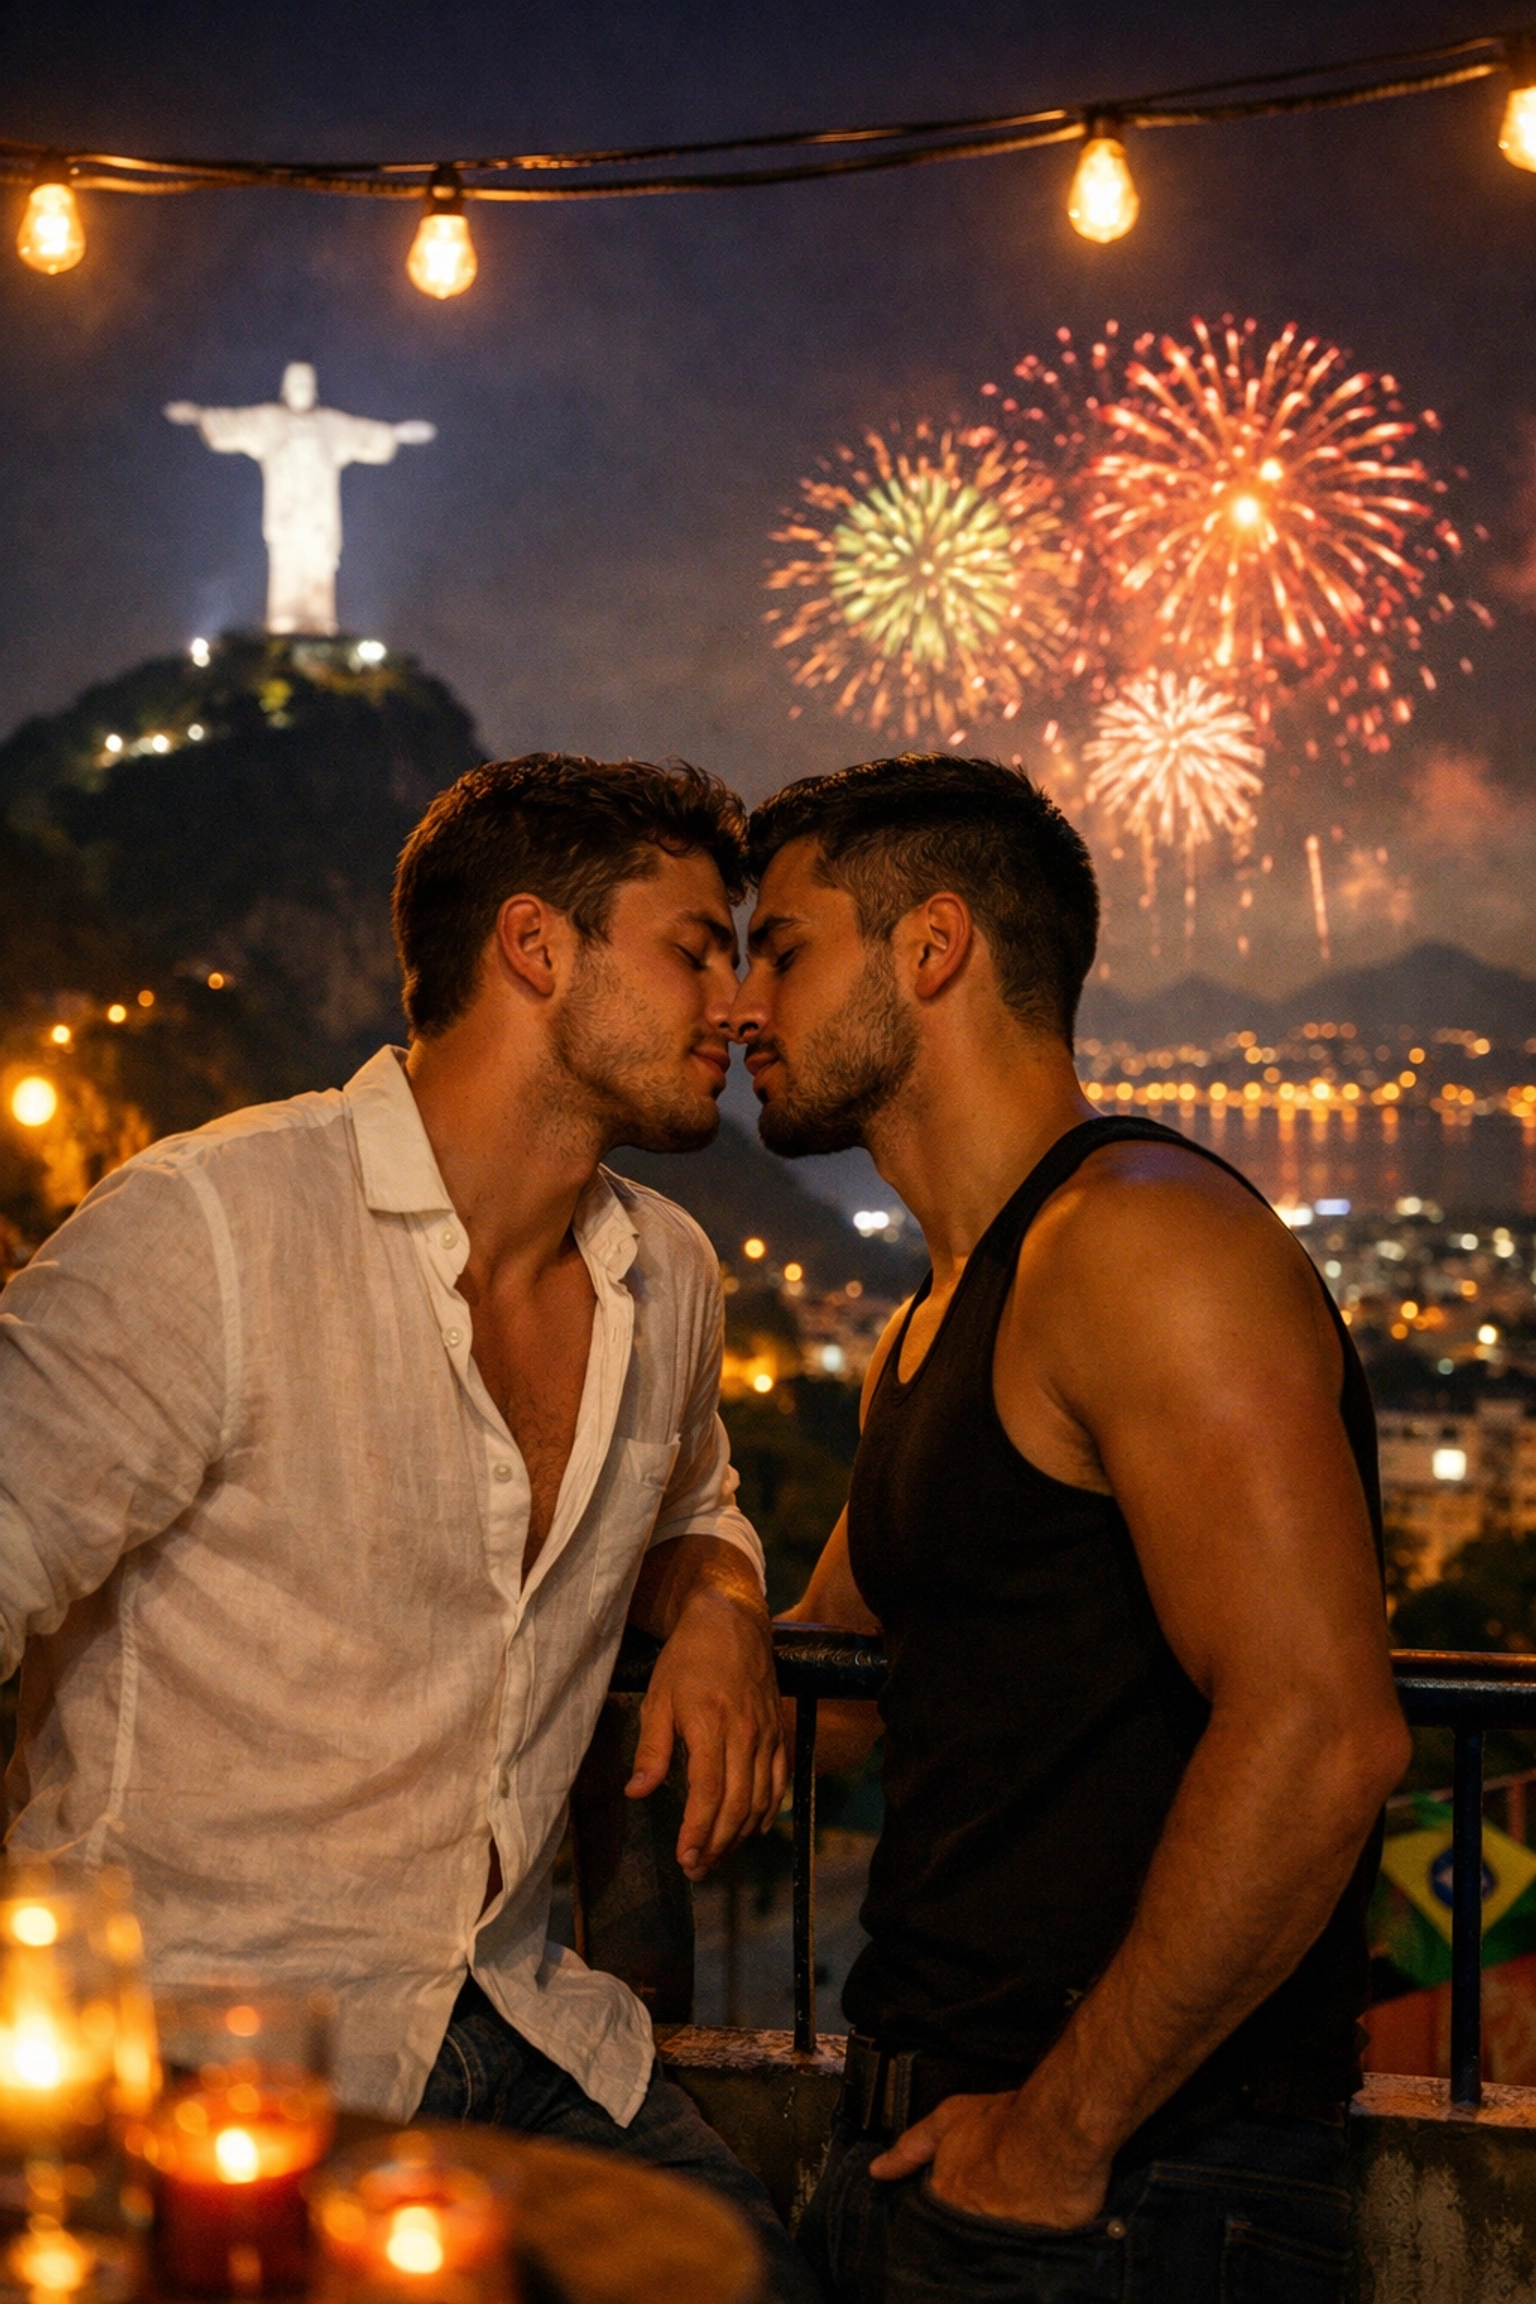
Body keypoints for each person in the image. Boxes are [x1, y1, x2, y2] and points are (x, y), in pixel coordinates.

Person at [0, 754, 819, 2304]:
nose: (738, 1003)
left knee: (757, 2283)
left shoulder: (673, 1277)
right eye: (696, 946)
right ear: (534, 946)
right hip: (205, 2056)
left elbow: (695, 1492)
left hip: (519, 2021)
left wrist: (717, 1599)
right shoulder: (215, 1233)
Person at [728, 754, 1410, 2304]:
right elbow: (818, 1704)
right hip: (937, 2156)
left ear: (932, 947)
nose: (743, 1007)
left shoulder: (1139, 1241)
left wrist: (1059, 2131)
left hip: (1131, 2192)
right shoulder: (946, 1308)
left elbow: (1321, 1731)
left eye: (783, 946)